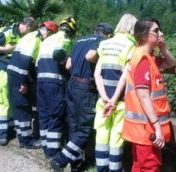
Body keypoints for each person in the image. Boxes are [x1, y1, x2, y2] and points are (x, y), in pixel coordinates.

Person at [50, 22, 113, 171]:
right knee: (86, 128)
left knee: (74, 124)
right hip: (86, 87)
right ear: (108, 35)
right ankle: (61, 159)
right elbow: (90, 56)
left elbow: (68, 66)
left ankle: (75, 163)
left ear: (95, 29)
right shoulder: (102, 41)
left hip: (72, 84)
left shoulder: (79, 40)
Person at [122, 17, 176, 171]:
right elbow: (143, 95)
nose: (161, 33)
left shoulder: (148, 57)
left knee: (140, 166)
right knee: (149, 167)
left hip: (143, 130)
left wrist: (163, 49)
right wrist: (157, 126)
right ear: (144, 35)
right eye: (156, 30)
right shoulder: (143, 60)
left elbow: (172, 63)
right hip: (147, 130)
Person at [93, 14, 137, 172]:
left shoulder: (104, 43)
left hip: (102, 100)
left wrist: (104, 97)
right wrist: (114, 100)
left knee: (102, 136)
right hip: (119, 102)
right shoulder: (131, 46)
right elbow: (125, 76)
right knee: (116, 139)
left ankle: (101, 169)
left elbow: (97, 74)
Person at [7, 21, 58, 149]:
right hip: (20, 74)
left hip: (13, 72)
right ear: (49, 32)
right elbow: (27, 59)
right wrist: (24, 82)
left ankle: (22, 137)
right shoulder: (37, 40)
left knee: (18, 107)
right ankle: (26, 141)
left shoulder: (30, 35)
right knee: (24, 108)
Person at [0, 16, 36, 146]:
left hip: (14, 71)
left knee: (12, 100)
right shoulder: (8, 31)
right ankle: (2, 133)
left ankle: (10, 129)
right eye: (31, 29)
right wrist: (7, 49)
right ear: (27, 26)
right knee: (3, 100)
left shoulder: (25, 37)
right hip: (2, 69)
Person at [36, 17, 77, 158]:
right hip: (55, 83)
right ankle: (53, 151)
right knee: (55, 114)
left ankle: (45, 144)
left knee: (44, 113)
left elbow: (37, 63)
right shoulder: (65, 40)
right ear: (71, 30)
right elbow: (62, 58)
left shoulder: (47, 40)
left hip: (40, 81)